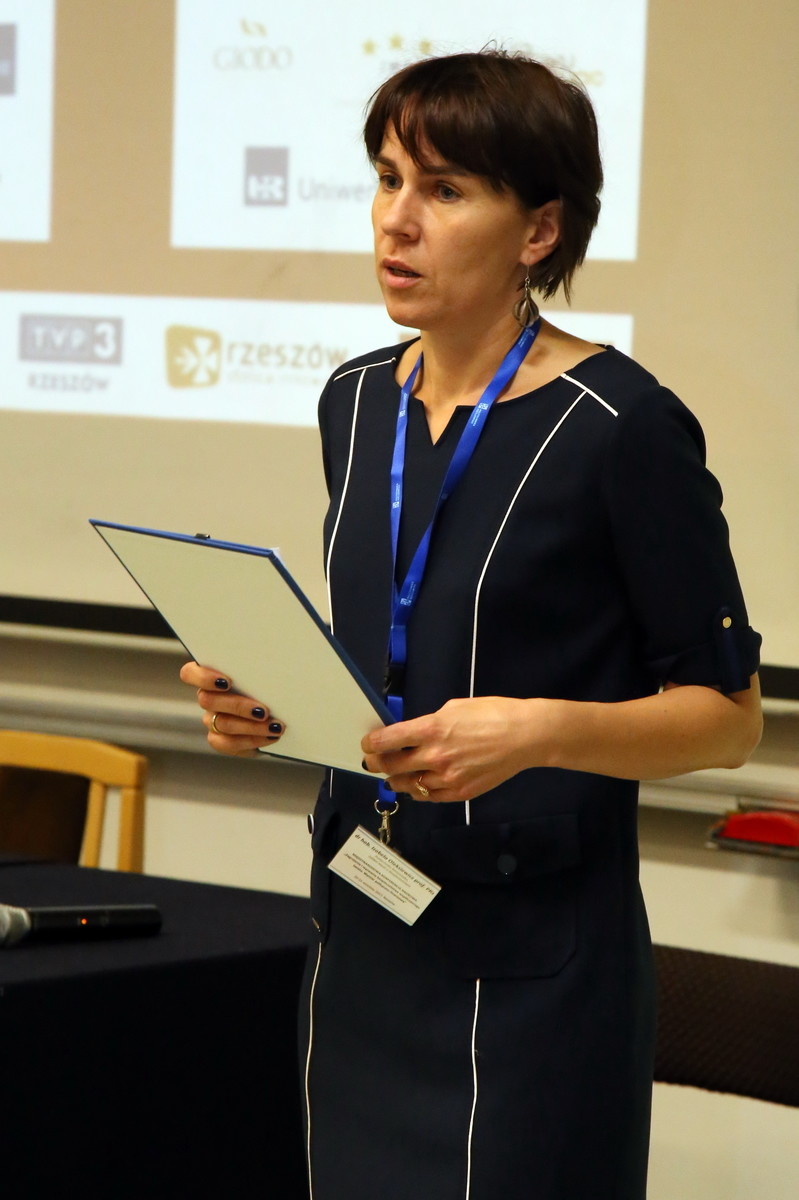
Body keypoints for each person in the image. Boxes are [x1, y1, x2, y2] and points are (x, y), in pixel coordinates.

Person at [180, 50, 762, 1200]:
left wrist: (538, 732)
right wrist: (269, 702)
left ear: (538, 230)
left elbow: (728, 719)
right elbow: (399, 642)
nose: (396, 221)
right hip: (365, 936)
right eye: (388, 179)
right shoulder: (355, 399)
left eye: (444, 191)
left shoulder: (622, 428)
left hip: (532, 970)